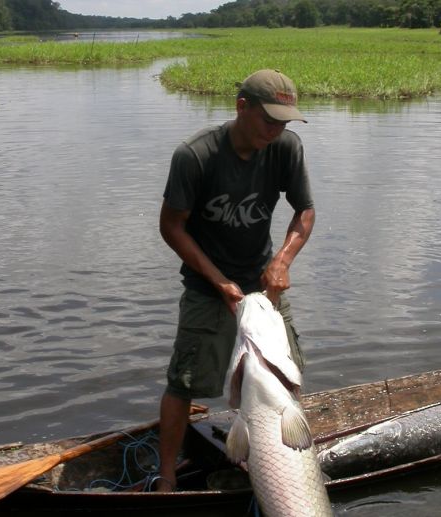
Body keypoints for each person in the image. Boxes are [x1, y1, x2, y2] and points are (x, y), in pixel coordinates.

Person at [156, 69, 315, 491]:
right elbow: (172, 226)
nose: (276, 130)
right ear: (241, 107)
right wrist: (219, 281)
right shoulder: (195, 156)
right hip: (207, 285)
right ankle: (167, 477)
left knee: (286, 376)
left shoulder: (285, 148)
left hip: (263, 286)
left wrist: (281, 262)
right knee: (183, 381)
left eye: (284, 122)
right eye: (269, 120)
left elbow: (304, 211)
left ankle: (286, 468)